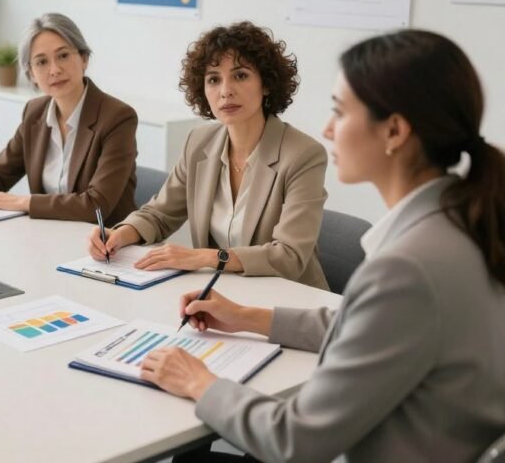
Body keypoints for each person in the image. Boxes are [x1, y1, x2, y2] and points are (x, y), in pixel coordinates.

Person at [142, 30, 505, 462]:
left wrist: (198, 382)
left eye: (339, 112)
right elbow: (368, 329)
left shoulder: (408, 267)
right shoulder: (458, 227)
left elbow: (295, 441)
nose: (329, 129)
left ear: (393, 131)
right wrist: (245, 317)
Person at [89, 22, 328, 289]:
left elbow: (289, 256)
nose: (226, 90)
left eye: (240, 75)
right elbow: (160, 213)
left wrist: (202, 257)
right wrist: (120, 234)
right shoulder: (199, 142)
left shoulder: (303, 155)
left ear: (267, 84)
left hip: (289, 298)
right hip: (222, 292)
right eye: (214, 79)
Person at [0, 13, 137, 224]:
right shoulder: (35, 112)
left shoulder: (117, 118)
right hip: (48, 236)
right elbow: (0, 171)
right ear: (31, 74)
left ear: (84, 58)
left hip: (105, 244)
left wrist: (24, 202)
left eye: (63, 56)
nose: (55, 70)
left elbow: (96, 205)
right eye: (41, 62)